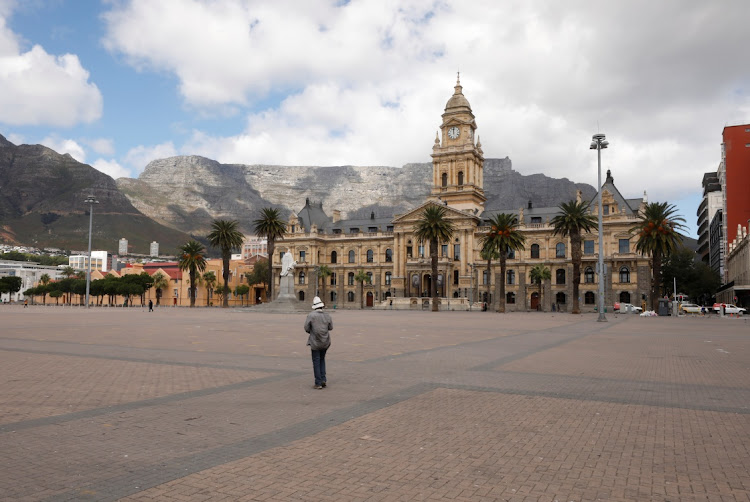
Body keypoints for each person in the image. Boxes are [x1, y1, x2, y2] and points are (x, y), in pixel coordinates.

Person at [304, 296, 333, 389]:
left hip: (315, 342)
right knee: (322, 359)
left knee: (316, 361)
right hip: (325, 341)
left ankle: (318, 382)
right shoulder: (327, 315)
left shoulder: (311, 315)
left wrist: (312, 331)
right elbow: (331, 327)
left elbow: (306, 328)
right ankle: (323, 379)